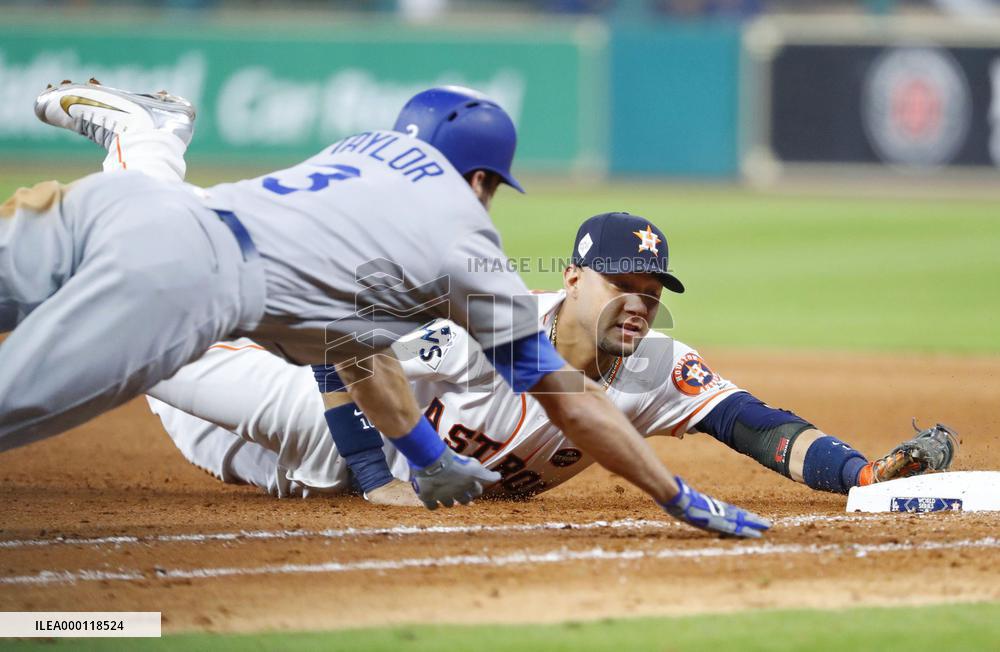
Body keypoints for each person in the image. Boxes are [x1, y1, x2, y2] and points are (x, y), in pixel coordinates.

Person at [32, 82, 958, 512]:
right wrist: (376, 477)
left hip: (261, 473)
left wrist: (860, 474)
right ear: (573, 278)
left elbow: (760, 425)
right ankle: (143, 141)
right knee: (142, 292)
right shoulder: (480, 313)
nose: (638, 304)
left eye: (652, 289)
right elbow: (346, 351)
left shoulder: (660, 370)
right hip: (281, 401)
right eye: (621, 285)